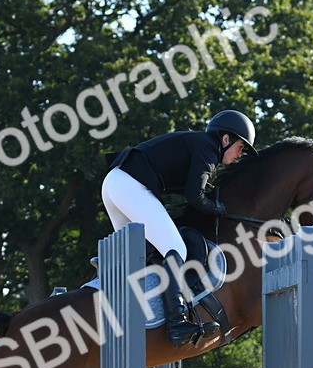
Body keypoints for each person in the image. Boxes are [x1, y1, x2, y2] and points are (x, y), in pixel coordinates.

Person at [102, 110, 256, 346]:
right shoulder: (208, 148)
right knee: (175, 247)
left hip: (115, 182)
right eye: (241, 147)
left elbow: (189, 191)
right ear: (226, 139)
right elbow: (195, 196)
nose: (240, 154)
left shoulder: (199, 145)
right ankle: (178, 324)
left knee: (134, 258)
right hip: (130, 184)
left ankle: (100, 323)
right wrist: (218, 208)